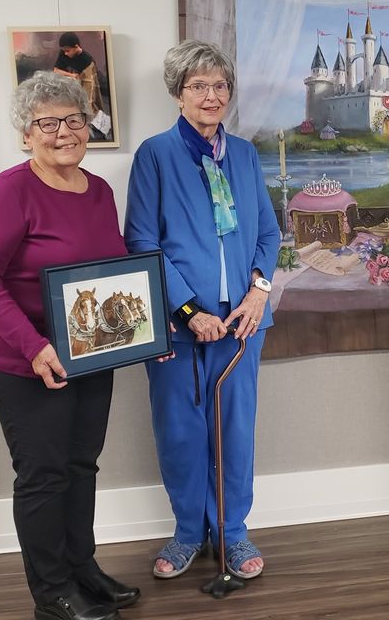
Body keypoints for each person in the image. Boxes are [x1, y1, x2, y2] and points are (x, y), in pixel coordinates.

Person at [0, 72, 141, 620]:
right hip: (25, 361)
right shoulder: (11, 191)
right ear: (26, 133)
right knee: (45, 476)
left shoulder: (100, 191)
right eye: (48, 123)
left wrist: (142, 331)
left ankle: (82, 569)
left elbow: (113, 273)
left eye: (75, 119)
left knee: (82, 466)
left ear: (89, 127)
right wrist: (35, 347)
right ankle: (53, 592)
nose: (64, 131)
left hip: (91, 354)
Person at [125, 39, 280, 581]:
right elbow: (143, 243)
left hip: (241, 320)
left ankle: (233, 532)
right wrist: (188, 310)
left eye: (220, 85)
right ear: (177, 93)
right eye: (198, 86)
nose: (211, 95)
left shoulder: (244, 153)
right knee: (181, 430)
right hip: (179, 323)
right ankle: (190, 531)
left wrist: (259, 291)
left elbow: (266, 230)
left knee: (235, 428)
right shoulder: (155, 155)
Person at [54, 32, 109, 141]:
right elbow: (56, 70)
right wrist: (71, 75)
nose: (65, 53)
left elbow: (89, 88)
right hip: (73, 81)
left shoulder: (87, 60)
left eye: (67, 51)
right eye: (64, 50)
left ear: (76, 47)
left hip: (87, 83)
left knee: (89, 103)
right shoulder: (64, 53)